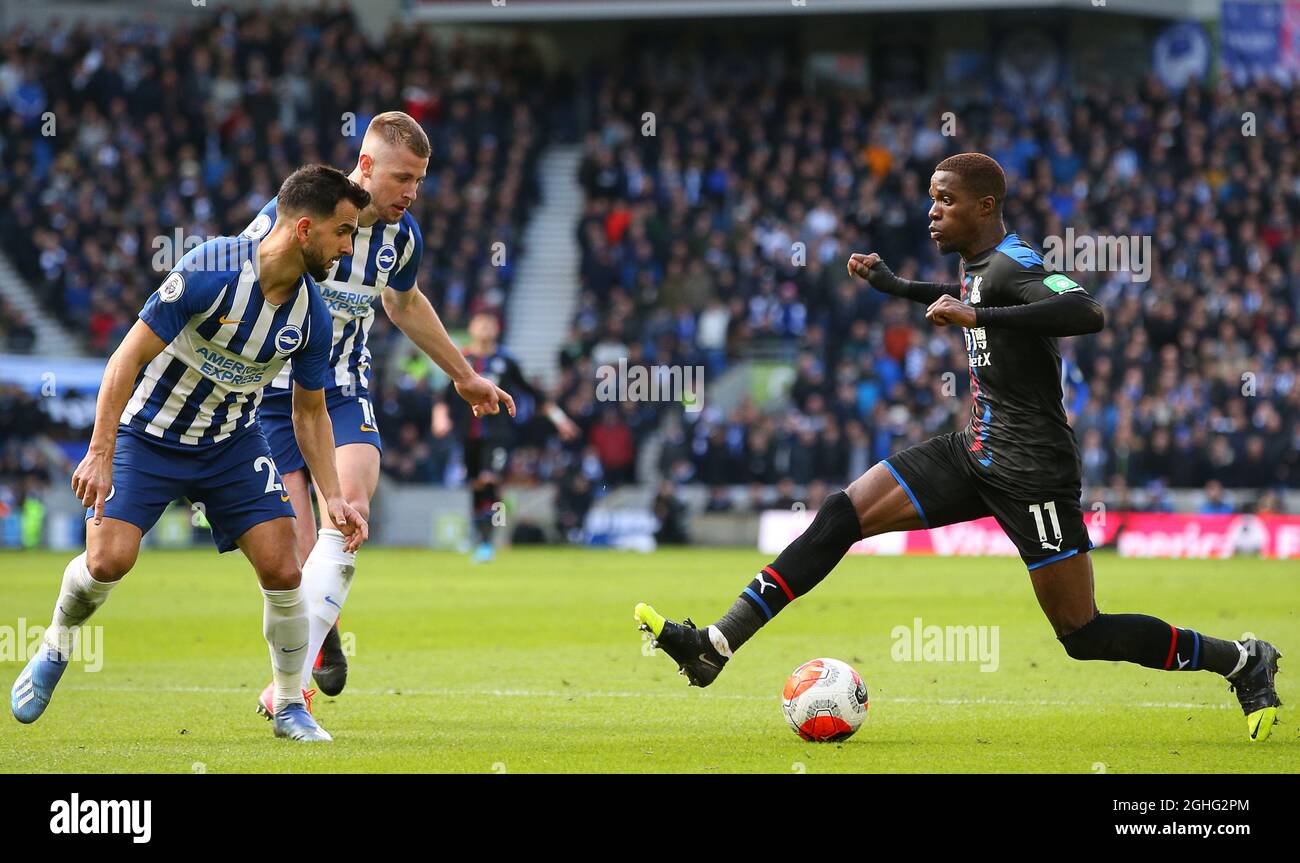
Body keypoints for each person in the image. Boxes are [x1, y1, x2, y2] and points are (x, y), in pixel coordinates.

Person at [635, 152, 1282, 743]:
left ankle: (1243, 659)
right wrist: (898, 287)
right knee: (842, 513)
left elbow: (1087, 311)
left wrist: (979, 319)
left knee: (1083, 633)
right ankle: (717, 642)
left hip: (1035, 475)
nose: (932, 210)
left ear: (985, 207)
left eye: (944, 199)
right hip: (973, 449)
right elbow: (968, 298)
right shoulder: (975, 268)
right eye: (931, 197)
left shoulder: (1015, 262)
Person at [10, 165, 372, 742]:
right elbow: (125, 359)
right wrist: (100, 450)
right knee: (107, 562)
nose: (349, 248)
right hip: (148, 435)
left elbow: (310, 413)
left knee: (284, 569)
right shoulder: (211, 268)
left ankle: (287, 705)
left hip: (231, 443)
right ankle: (55, 646)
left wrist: (333, 498)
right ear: (305, 229)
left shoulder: (314, 317)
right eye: (344, 232)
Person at [246, 113, 515, 712]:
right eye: (401, 178)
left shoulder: (403, 237)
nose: (411, 193)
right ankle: (322, 631)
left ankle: (288, 692)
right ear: (364, 167)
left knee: (349, 518)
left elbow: (405, 302)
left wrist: (465, 376)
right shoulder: (291, 216)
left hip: (341, 386)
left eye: (419, 180)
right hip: (270, 395)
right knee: (293, 553)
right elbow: (246, 285)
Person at [432, 309, 579, 563]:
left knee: (490, 479)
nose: (485, 328)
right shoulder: (461, 359)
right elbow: (444, 396)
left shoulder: (506, 361)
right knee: (477, 484)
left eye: (490, 324)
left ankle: (488, 541)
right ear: (472, 328)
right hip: (469, 433)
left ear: (497, 329)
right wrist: (440, 417)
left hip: (498, 433)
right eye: (480, 322)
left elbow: (534, 394)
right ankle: (480, 536)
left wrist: (560, 420)